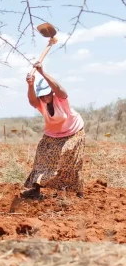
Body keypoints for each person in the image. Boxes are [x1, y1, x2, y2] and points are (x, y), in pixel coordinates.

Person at [22, 61, 85, 199]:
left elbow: (60, 89)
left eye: (47, 94)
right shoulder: (41, 103)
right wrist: (30, 85)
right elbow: (32, 101)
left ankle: (76, 191)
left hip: (73, 132)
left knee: (68, 158)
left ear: (51, 92)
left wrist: (42, 72)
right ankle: (35, 189)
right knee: (42, 157)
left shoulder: (61, 99)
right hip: (52, 135)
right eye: (42, 95)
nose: (45, 97)